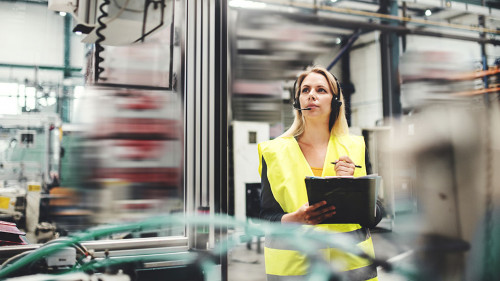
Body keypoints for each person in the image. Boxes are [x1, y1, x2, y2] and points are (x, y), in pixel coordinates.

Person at [258, 66, 382, 281]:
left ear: (335, 101)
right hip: (295, 270)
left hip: (351, 268)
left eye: (321, 90)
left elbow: (377, 213)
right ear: (297, 101)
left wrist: (354, 188)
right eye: (305, 90)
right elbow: (264, 216)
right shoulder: (274, 152)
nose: (311, 95)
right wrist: (294, 219)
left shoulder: (355, 147)